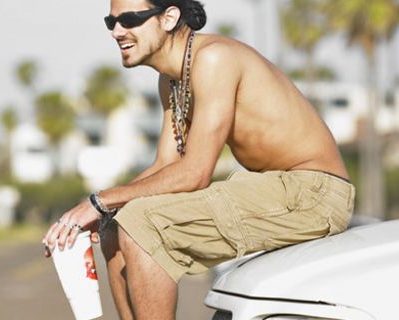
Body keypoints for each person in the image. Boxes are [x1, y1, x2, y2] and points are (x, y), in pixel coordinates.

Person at [42, 0, 356, 319]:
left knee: (141, 225)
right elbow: (166, 165)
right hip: (276, 189)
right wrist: (102, 209)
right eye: (112, 23)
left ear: (169, 18)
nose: (118, 31)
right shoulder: (171, 80)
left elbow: (195, 173)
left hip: (314, 193)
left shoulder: (213, 59)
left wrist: (100, 201)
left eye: (130, 19)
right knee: (114, 226)